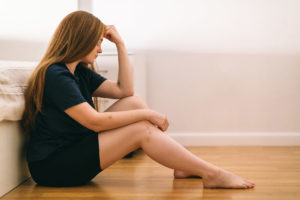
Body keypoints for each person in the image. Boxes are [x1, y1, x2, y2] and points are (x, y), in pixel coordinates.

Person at [22, 10, 255, 189]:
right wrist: (147, 115)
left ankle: (182, 166)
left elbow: (125, 91)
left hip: (74, 148)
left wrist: (121, 45)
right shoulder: (55, 74)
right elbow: (94, 122)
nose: (100, 50)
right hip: (54, 166)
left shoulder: (78, 72)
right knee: (142, 128)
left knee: (135, 102)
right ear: (81, 39)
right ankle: (212, 174)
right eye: (97, 42)